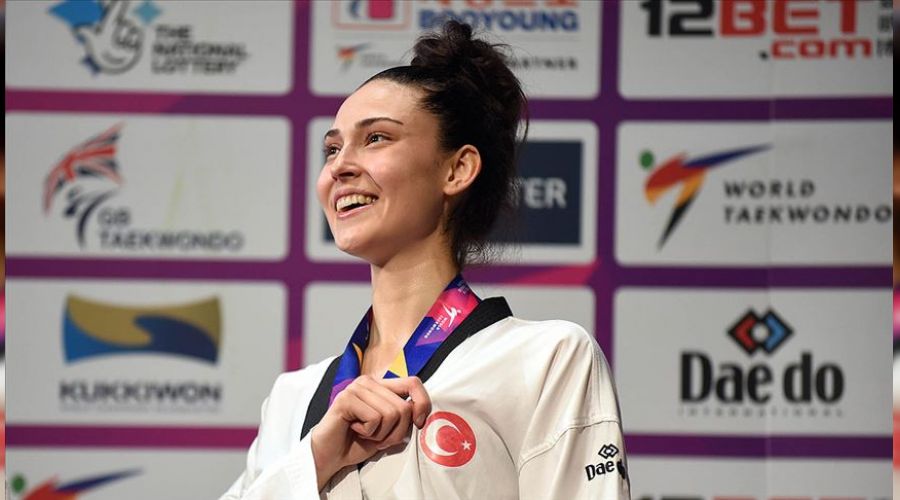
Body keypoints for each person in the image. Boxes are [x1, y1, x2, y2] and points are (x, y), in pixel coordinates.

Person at [222, 21, 629, 500]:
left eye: (376, 138)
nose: (340, 166)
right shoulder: (291, 400)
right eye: (331, 148)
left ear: (457, 169)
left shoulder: (546, 361)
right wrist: (317, 458)